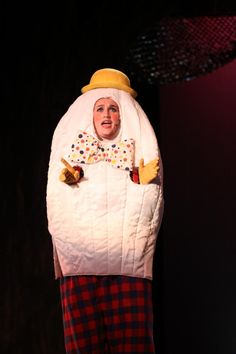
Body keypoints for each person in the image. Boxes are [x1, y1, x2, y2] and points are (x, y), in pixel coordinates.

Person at [46, 68, 164, 353]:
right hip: (80, 267)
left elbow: (147, 197)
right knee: (83, 345)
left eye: (113, 108)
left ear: (123, 114)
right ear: (90, 114)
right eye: (100, 108)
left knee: (132, 344)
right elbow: (60, 193)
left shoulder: (131, 148)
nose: (107, 115)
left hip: (127, 267)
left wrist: (142, 177)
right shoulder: (79, 148)